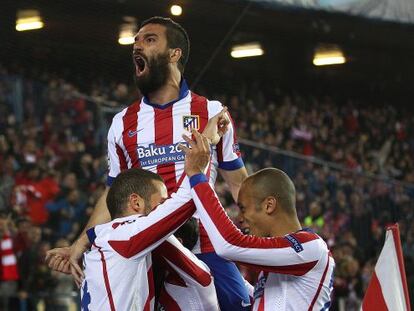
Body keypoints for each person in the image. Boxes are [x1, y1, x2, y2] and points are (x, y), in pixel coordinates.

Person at [47, 16, 250, 310]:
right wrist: (81, 242)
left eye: (149, 39)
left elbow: (238, 182)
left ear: (174, 53)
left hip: (203, 240)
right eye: (136, 41)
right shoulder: (122, 123)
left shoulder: (211, 111)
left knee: (236, 304)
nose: (137, 45)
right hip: (148, 246)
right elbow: (114, 193)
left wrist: (264, 239)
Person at [80, 130, 218, 310]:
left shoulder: (106, 238)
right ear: (136, 202)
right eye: (161, 202)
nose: (163, 208)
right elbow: (187, 200)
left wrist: (79, 243)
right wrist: (203, 152)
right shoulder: (126, 235)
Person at [185, 167, 336, 310]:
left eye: (243, 209)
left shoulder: (311, 246)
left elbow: (229, 244)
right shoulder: (275, 267)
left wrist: (197, 177)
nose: (240, 218)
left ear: (268, 205)